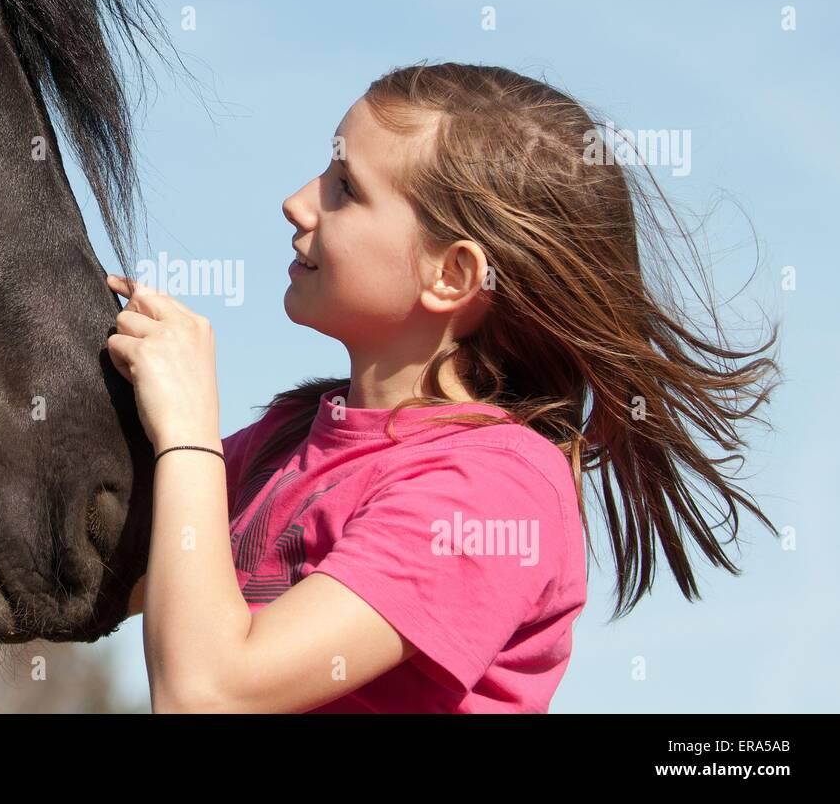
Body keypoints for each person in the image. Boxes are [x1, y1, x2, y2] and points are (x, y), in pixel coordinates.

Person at [105, 61, 781, 713]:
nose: (297, 201)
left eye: (345, 187)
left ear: (453, 275)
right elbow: (93, 558)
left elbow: (209, 691)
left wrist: (189, 428)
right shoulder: (293, 432)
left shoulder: (494, 489)